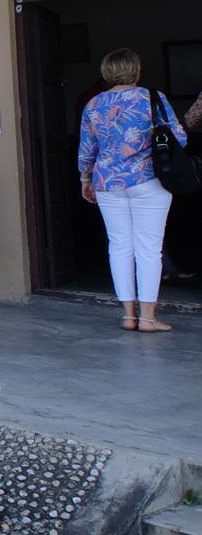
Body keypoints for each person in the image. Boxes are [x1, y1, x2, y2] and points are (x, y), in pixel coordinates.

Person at [78, 48, 187, 333]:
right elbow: (179, 137)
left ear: (106, 72)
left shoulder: (94, 103)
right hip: (147, 179)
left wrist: (85, 179)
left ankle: (128, 315)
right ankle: (148, 318)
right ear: (136, 70)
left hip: (107, 182)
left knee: (119, 246)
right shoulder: (151, 97)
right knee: (149, 248)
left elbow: (87, 147)